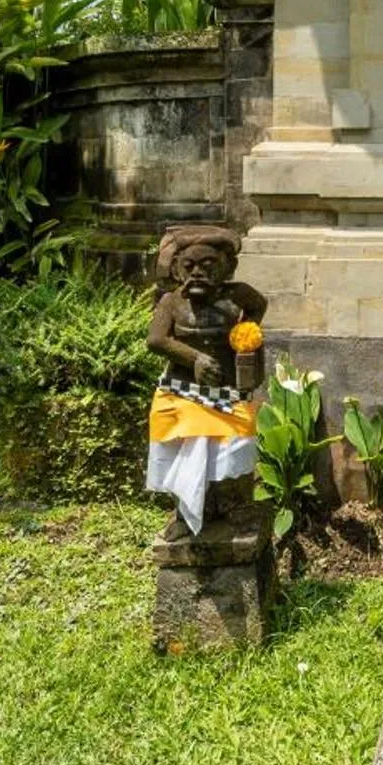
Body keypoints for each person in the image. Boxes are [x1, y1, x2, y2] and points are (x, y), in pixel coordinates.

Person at [145, 225, 268, 535]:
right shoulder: (172, 302)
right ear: (176, 269)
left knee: (233, 445)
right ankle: (185, 512)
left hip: (227, 388)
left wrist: (245, 335)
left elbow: (258, 305)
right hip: (182, 391)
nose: (197, 273)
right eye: (189, 266)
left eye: (208, 266)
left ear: (227, 268)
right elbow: (156, 340)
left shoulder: (237, 296)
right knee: (185, 449)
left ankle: (233, 507)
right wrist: (194, 358)